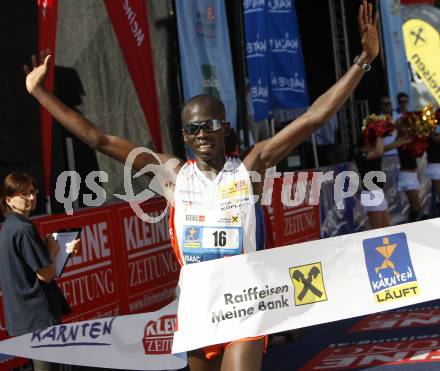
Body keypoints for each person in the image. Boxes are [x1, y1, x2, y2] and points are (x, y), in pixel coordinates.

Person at [22, 1, 378, 369]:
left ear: (223, 127)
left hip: (246, 303)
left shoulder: (251, 167)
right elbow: (100, 140)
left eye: (210, 125)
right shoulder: (172, 174)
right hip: (198, 305)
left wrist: (362, 62)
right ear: (184, 135)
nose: (202, 133)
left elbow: (314, 118)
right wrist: (40, 93)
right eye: (193, 128)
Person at [0, 172, 80, 371]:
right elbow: (45, 274)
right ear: (9, 200)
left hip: (25, 317)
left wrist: (56, 251)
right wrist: (53, 251)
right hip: (38, 318)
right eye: (24, 194)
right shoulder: (23, 229)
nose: (31, 198)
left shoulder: (10, 227)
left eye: (33, 192)